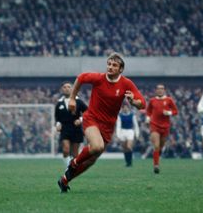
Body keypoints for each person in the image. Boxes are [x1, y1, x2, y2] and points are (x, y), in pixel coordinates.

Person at [57, 52, 146, 193]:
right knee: (97, 146)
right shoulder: (98, 78)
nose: (110, 67)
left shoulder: (126, 84)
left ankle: (65, 180)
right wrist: (73, 98)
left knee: (91, 160)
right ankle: (73, 163)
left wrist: (133, 101)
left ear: (120, 69)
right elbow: (80, 78)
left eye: (114, 65)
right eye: (109, 64)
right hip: (91, 118)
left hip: (108, 126)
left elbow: (142, 104)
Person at [146, 83, 178, 174]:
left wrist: (169, 113)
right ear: (156, 90)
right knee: (156, 145)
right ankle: (156, 165)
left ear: (164, 90)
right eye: (158, 89)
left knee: (160, 147)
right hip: (154, 125)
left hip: (165, 127)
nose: (160, 90)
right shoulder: (152, 100)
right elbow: (148, 111)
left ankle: (157, 157)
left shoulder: (169, 100)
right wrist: (148, 118)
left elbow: (176, 111)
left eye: (162, 89)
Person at [55, 81, 88, 166]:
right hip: (65, 129)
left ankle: (74, 169)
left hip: (76, 129)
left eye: (69, 87)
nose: (67, 89)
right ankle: (68, 168)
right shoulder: (59, 103)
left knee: (75, 153)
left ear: (72, 89)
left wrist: (80, 119)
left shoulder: (78, 101)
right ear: (62, 89)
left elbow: (87, 112)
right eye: (65, 87)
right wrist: (58, 125)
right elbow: (57, 118)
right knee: (66, 150)